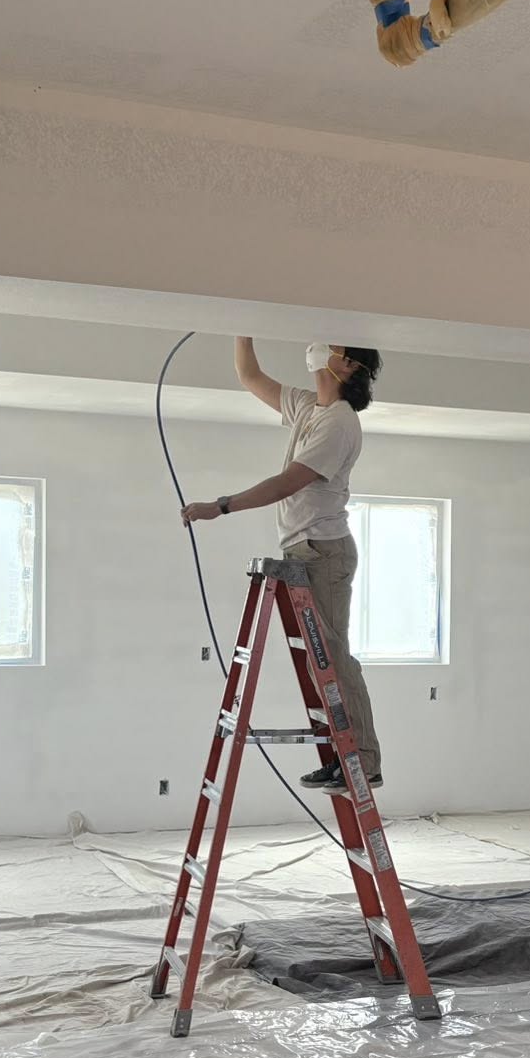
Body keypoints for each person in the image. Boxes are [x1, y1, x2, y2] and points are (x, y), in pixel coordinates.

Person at [181, 336, 385, 791]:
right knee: (320, 662)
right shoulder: (309, 407)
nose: (319, 347)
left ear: (347, 366)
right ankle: (342, 757)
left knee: (333, 659)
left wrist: (223, 505)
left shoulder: (339, 424)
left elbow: (288, 482)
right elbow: (250, 377)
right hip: (304, 548)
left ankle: (364, 762)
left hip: (323, 552)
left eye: (332, 346)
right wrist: (242, 329)